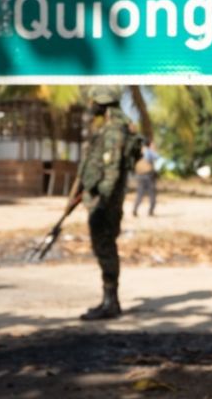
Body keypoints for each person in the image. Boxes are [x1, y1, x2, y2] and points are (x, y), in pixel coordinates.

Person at [64, 85, 141, 319]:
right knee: (104, 247)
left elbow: (113, 170)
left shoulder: (115, 130)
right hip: (103, 198)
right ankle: (109, 300)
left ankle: (111, 303)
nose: (91, 106)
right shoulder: (114, 126)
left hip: (106, 201)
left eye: (94, 101)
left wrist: (102, 201)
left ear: (102, 103)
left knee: (105, 247)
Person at [130, 140, 161, 216]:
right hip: (148, 175)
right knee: (151, 194)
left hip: (140, 175)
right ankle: (150, 211)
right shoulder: (149, 152)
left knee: (140, 194)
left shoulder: (137, 153)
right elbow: (157, 158)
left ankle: (135, 209)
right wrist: (152, 151)